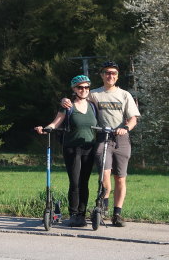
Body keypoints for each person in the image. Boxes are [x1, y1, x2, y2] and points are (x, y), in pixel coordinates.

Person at [62, 61, 140, 227]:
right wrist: (65, 101)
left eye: (113, 73)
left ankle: (117, 214)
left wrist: (125, 128)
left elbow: (133, 118)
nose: (110, 75)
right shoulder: (94, 94)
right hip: (102, 138)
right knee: (104, 174)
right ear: (102, 75)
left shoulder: (124, 95)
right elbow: (79, 97)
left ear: (117, 76)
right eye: (107, 73)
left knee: (120, 178)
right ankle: (101, 206)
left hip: (121, 138)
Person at [35, 75, 97, 227]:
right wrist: (46, 129)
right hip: (72, 148)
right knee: (75, 182)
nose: (84, 90)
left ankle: (82, 214)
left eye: (86, 87)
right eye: (80, 87)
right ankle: (73, 214)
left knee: (85, 182)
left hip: (89, 148)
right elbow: (56, 122)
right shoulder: (67, 106)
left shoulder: (93, 106)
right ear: (74, 89)